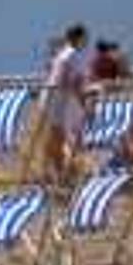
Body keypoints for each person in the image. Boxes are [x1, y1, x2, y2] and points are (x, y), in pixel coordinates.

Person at [42, 24, 90, 181]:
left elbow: (56, 76)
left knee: (56, 136)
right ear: (79, 38)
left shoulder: (62, 54)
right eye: (85, 37)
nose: (87, 41)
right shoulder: (74, 55)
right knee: (72, 135)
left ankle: (56, 171)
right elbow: (73, 81)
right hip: (62, 98)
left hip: (50, 95)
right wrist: (83, 101)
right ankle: (67, 170)